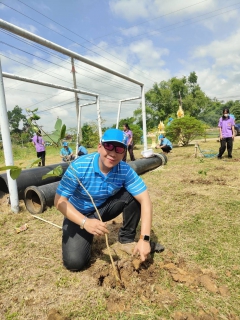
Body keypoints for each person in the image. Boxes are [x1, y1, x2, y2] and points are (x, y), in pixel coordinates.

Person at [54, 128, 160, 271]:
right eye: (109, 146)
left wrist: (144, 238)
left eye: (119, 149)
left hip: (101, 209)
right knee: (74, 263)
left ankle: (127, 239)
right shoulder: (79, 166)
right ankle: (84, 234)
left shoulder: (124, 170)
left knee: (134, 195)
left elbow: (145, 200)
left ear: (124, 153)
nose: (112, 153)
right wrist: (85, 222)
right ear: (99, 147)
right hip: (78, 214)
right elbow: (59, 201)